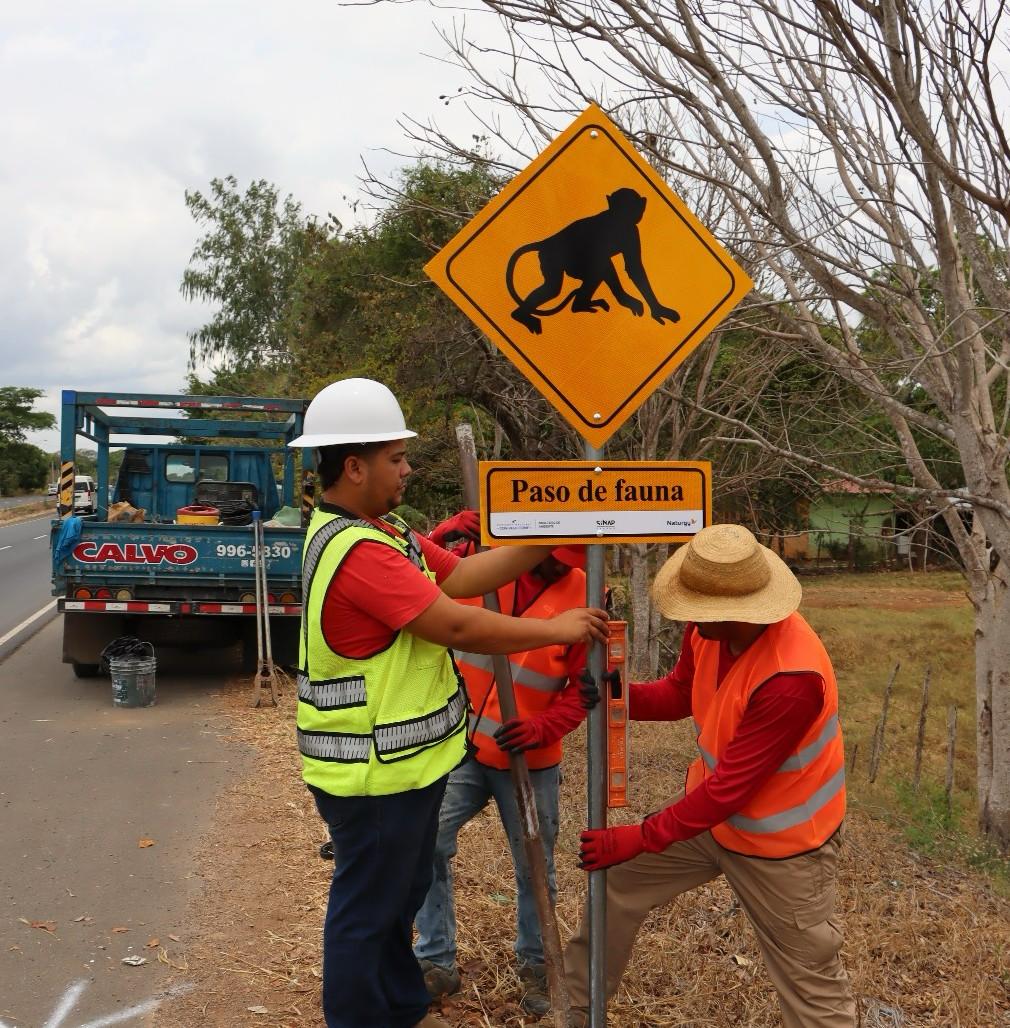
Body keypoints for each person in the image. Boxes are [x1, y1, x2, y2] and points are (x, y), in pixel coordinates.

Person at [288, 377, 609, 1028]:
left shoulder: (385, 531)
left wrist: (557, 532)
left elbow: (463, 575)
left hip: (406, 769)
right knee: (368, 912)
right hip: (372, 776)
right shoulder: (359, 554)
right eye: (397, 458)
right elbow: (457, 623)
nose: (408, 468)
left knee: (399, 896)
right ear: (354, 466)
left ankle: (401, 1005)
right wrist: (557, 628)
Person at [565, 523, 855, 1028]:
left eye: (698, 609)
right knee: (612, 886)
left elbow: (730, 789)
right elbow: (680, 693)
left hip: (783, 850)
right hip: (711, 825)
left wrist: (638, 836)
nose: (690, 619)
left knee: (813, 988)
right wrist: (619, 694)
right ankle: (575, 1014)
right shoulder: (709, 632)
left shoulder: (792, 678)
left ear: (739, 609)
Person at [414, 510, 594, 1016]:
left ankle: (538, 964)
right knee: (427, 841)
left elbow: (587, 690)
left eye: (563, 564)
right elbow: (416, 582)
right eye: (548, 559)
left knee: (535, 866)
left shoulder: (590, 592)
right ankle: (434, 960)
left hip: (530, 761)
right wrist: (445, 533)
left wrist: (543, 728)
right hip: (459, 751)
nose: (554, 569)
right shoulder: (481, 566)